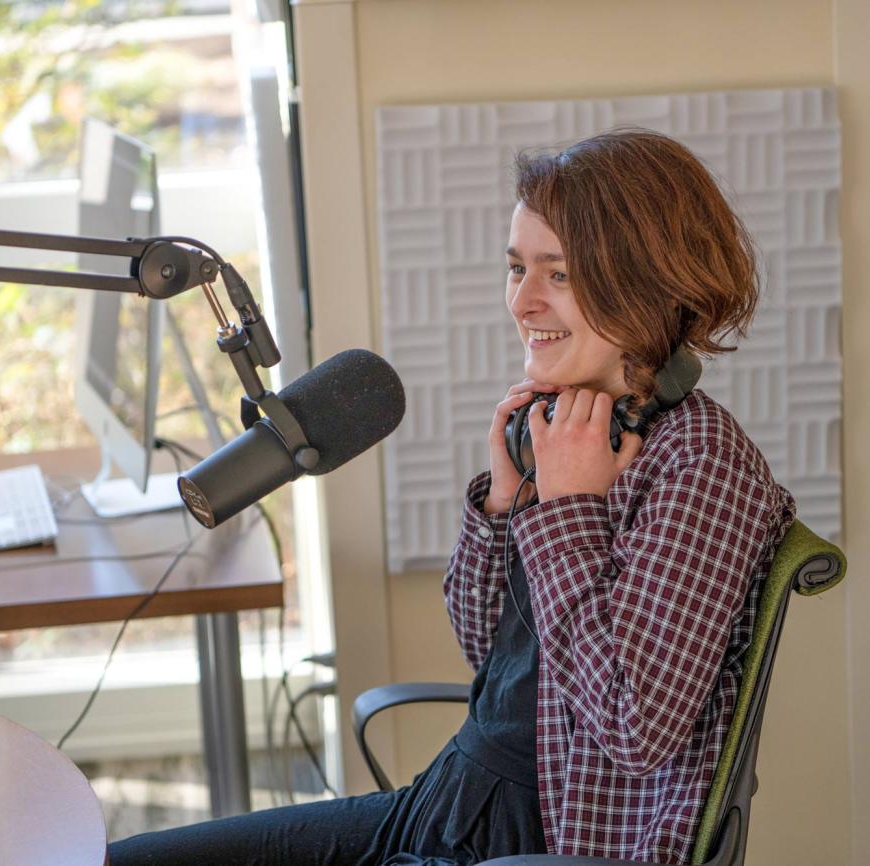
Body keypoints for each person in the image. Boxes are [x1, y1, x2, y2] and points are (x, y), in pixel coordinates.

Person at [109, 129, 796, 866]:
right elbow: (485, 652)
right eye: (515, 268)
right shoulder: (561, 431)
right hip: (447, 802)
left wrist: (568, 512)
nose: (523, 301)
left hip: (534, 846)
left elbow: (632, 727)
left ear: (646, 284)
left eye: (557, 274)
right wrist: (505, 505)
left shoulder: (704, 467)